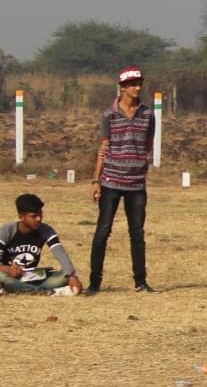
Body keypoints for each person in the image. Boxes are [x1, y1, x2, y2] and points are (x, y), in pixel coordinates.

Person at [89, 66, 156, 293]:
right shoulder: (109, 115)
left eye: (140, 84)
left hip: (137, 184)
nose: (137, 88)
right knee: (103, 231)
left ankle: (140, 281)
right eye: (133, 84)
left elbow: (148, 144)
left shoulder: (148, 114)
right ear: (123, 87)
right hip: (111, 182)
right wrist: (95, 181)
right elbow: (104, 148)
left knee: (137, 233)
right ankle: (94, 282)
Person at [1, 193, 82, 295]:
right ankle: (43, 291)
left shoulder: (45, 230)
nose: (39, 219)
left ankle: (22, 290)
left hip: (31, 275)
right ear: (21, 217)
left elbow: (59, 252)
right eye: (34, 216)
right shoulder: (6, 231)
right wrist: (7, 269)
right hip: (9, 276)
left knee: (64, 275)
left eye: (40, 215)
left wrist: (71, 276)